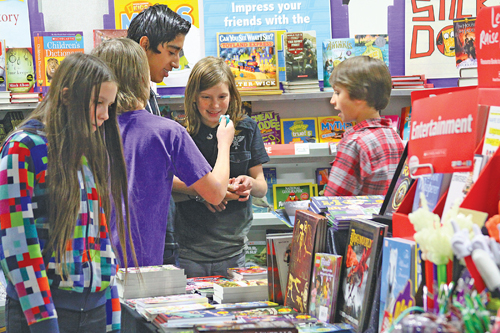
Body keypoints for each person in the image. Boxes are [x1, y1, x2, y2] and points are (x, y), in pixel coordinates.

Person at [0, 53, 132, 332]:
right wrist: (43, 321)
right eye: (98, 103)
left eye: (109, 105)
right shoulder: (23, 148)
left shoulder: (86, 150)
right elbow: (17, 244)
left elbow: (100, 240)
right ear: (67, 96)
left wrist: (113, 317)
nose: (105, 115)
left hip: (94, 311)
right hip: (43, 314)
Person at [92, 38, 235, 268]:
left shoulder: (90, 130)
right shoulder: (167, 132)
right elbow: (216, 192)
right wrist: (224, 142)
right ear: (142, 78)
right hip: (144, 265)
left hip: (92, 267)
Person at [173, 56, 270, 278]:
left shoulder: (247, 128)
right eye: (206, 97)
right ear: (194, 98)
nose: (215, 105)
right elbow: (169, 187)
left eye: (222, 97)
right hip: (190, 249)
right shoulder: (181, 133)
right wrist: (205, 193)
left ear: (232, 96)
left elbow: (261, 187)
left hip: (234, 248)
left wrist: (248, 183)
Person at [127, 4, 191, 264]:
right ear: (144, 44)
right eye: (172, 52)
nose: (175, 63)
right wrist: (200, 187)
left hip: (159, 229)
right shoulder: (122, 105)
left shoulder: (148, 94)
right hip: (139, 239)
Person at [324, 56, 404, 196]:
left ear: (360, 96)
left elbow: (332, 201)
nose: (332, 100)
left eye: (337, 93)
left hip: (355, 218)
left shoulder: (354, 143)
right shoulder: (393, 135)